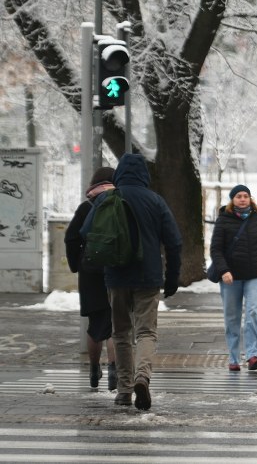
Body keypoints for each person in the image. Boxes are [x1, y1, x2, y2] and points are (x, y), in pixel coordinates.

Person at [98, 153, 183, 411]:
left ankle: (124, 390)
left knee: (121, 333)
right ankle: (142, 377)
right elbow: (174, 242)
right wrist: (172, 278)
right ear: (144, 175)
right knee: (146, 332)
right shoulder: (155, 201)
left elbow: (86, 234)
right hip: (148, 277)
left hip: (116, 277)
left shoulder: (107, 198)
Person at [209, 184, 257, 372]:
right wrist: (224, 271)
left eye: (246, 195)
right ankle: (234, 357)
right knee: (232, 317)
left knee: (253, 312)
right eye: (239, 196)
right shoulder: (223, 220)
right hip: (230, 277)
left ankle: (254, 355)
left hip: (254, 274)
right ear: (232, 200)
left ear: (250, 199)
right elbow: (216, 249)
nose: (243, 199)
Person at [64, 166, 118, 391]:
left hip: (90, 272)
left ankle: (94, 369)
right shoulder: (120, 204)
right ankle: (115, 369)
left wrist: (77, 265)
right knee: (115, 324)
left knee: (95, 324)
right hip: (115, 270)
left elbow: (70, 238)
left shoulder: (86, 207)